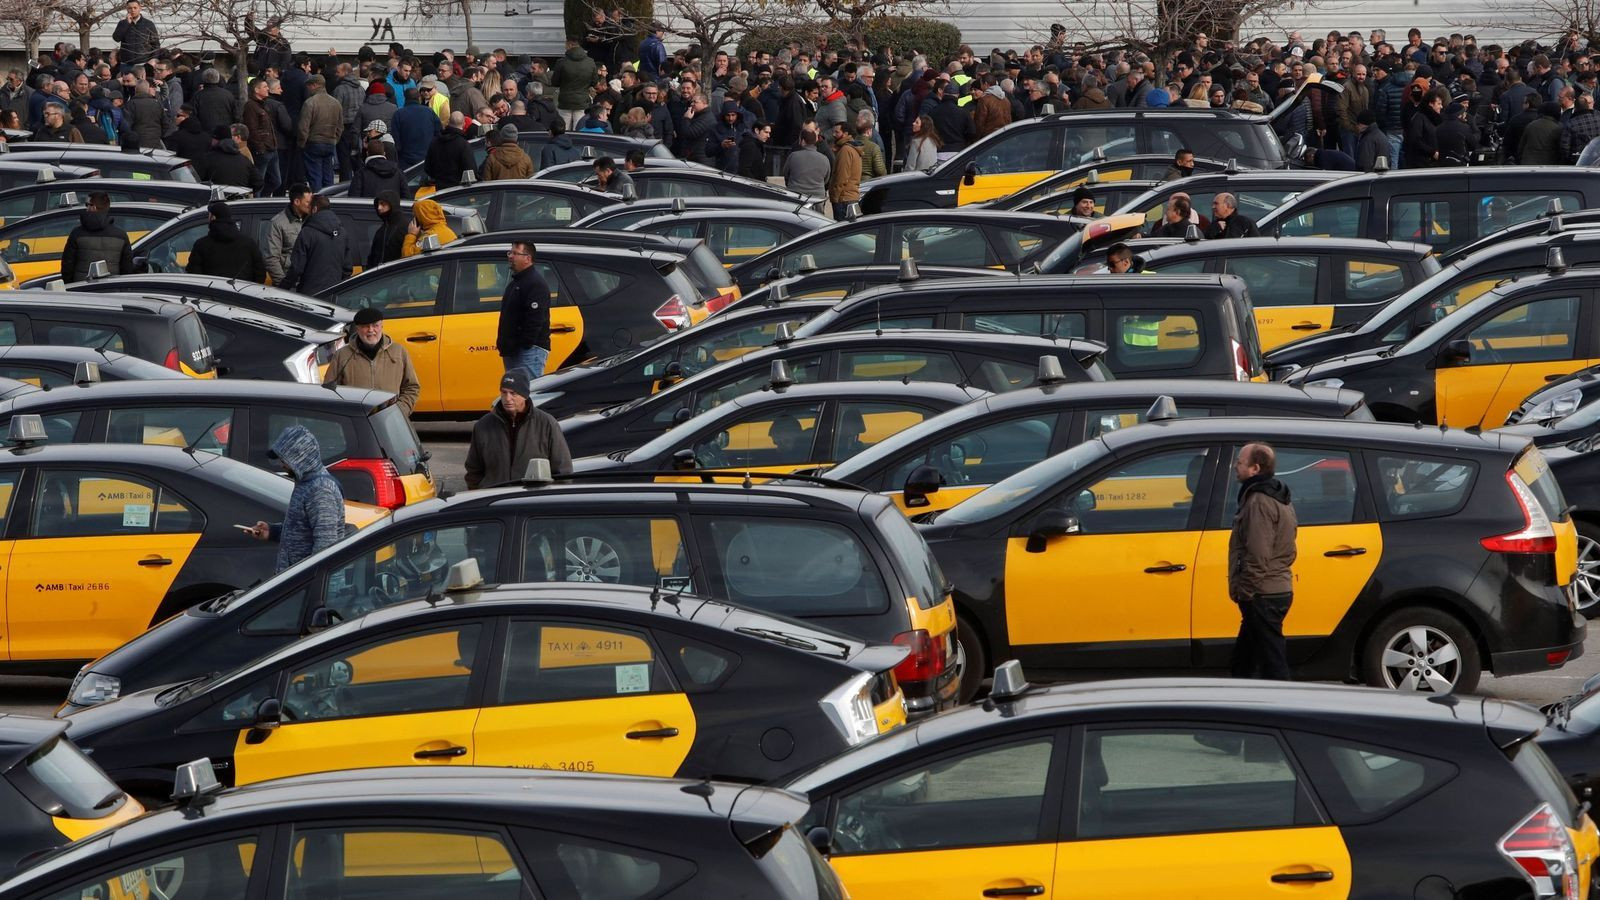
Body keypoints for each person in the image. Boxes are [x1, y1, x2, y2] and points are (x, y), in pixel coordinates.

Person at [1228, 442, 1298, 680]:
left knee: (1272, 662)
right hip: (1274, 589)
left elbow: (1258, 553)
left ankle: (1282, 708)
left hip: (1263, 593)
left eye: (1239, 462)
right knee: (1245, 660)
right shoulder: (1279, 496)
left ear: (1255, 469)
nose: (1235, 466)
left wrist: (1245, 590)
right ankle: (1243, 703)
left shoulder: (1259, 501)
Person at [246, 425, 346, 573]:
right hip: (299, 583)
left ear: (300, 458)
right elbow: (302, 531)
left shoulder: (320, 490)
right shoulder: (306, 483)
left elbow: (325, 547)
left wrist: (306, 585)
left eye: (285, 460)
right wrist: (272, 531)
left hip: (307, 586)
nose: (282, 464)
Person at [464, 369, 574, 489]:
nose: (508, 398)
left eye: (513, 393)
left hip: (531, 500)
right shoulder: (483, 425)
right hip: (494, 499)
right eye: (504, 392)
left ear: (525, 395)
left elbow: (563, 470)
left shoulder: (546, 423)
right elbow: (473, 470)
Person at [323, 307, 422, 417]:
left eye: (375, 325)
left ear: (382, 326)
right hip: (356, 421)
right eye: (366, 326)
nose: (371, 330)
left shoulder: (398, 352)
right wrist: (346, 414)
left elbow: (412, 387)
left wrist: (399, 411)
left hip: (390, 420)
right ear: (357, 328)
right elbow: (329, 390)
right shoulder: (342, 355)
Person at [497, 240, 551, 376]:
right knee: (515, 393)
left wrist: (525, 344)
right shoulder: (516, 282)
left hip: (529, 352)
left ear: (528, 258)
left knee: (527, 392)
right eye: (510, 252)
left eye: (515, 253)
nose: (510, 256)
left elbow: (535, 320)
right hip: (514, 350)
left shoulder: (535, 284)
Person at [281, 196, 350, 295]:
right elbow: (347, 268)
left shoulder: (307, 232)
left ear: (314, 209)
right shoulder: (342, 232)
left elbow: (296, 269)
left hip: (310, 295)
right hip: (334, 294)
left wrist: (283, 288)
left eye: (309, 208)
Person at [60, 192, 133, 282]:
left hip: (80, 289)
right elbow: (127, 269)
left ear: (94, 207)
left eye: (87, 205)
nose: (86, 208)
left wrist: (70, 286)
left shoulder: (77, 233)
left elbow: (67, 266)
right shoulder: (121, 236)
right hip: (110, 289)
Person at [185, 202, 266, 282]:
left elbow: (194, 275)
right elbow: (260, 274)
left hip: (210, 292)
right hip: (242, 293)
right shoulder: (249, 243)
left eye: (209, 215)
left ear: (213, 218)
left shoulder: (201, 245)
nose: (208, 218)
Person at [297, 75, 343, 191]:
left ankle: (317, 199)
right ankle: (329, 199)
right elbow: (340, 126)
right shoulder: (336, 103)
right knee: (328, 175)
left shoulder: (310, 103)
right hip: (330, 142)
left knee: (314, 175)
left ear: (314, 85)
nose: (307, 89)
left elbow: (303, 127)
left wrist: (302, 143)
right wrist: (335, 140)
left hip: (313, 143)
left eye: (309, 86)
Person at [266, 184, 313, 284]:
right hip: (291, 284)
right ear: (297, 202)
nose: (311, 205)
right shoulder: (278, 223)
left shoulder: (314, 219)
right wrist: (284, 285)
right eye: (308, 202)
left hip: (311, 283)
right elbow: (271, 258)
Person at [424, 111, 476, 189]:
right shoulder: (463, 144)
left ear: (448, 122)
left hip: (440, 188)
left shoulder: (435, 142)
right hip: (459, 189)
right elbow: (471, 170)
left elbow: (428, 167)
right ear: (464, 124)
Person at [112, 0, 159, 73]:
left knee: (142, 84)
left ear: (140, 8)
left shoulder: (148, 24)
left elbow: (156, 44)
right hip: (126, 64)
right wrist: (126, 23)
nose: (132, 10)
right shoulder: (122, 23)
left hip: (143, 63)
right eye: (130, 8)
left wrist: (153, 59)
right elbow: (116, 38)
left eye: (135, 8)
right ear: (127, 9)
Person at [828, 121, 862, 221]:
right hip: (850, 197)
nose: (834, 135)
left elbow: (841, 177)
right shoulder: (850, 148)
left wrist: (835, 198)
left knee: (841, 232)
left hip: (844, 199)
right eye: (833, 132)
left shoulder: (845, 150)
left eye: (837, 132)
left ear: (846, 134)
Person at [367, 190, 408, 268]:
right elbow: (372, 257)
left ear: (392, 204)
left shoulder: (404, 228)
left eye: (383, 204)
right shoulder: (382, 230)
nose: (379, 208)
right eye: (378, 204)